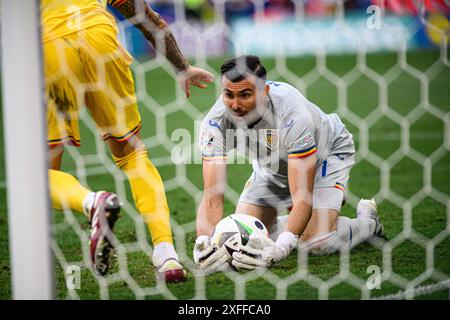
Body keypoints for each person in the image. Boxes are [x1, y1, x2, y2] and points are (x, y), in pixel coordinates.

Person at [41, 0, 214, 281]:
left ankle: (91, 202)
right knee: (133, 155)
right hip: (101, 40)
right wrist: (183, 67)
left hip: (51, 48)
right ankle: (166, 253)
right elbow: (147, 18)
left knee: (40, 176)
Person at [193, 55, 384, 272]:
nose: (235, 105)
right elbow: (212, 198)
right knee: (242, 235)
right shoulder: (215, 124)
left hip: (325, 155)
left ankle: (368, 222)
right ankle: (318, 213)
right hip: (271, 168)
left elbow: (302, 198)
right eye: (228, 95)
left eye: (245, 95)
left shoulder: (292, 115)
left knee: (315, 243)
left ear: (263, 92)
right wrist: (204, 243)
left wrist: (282, 248)